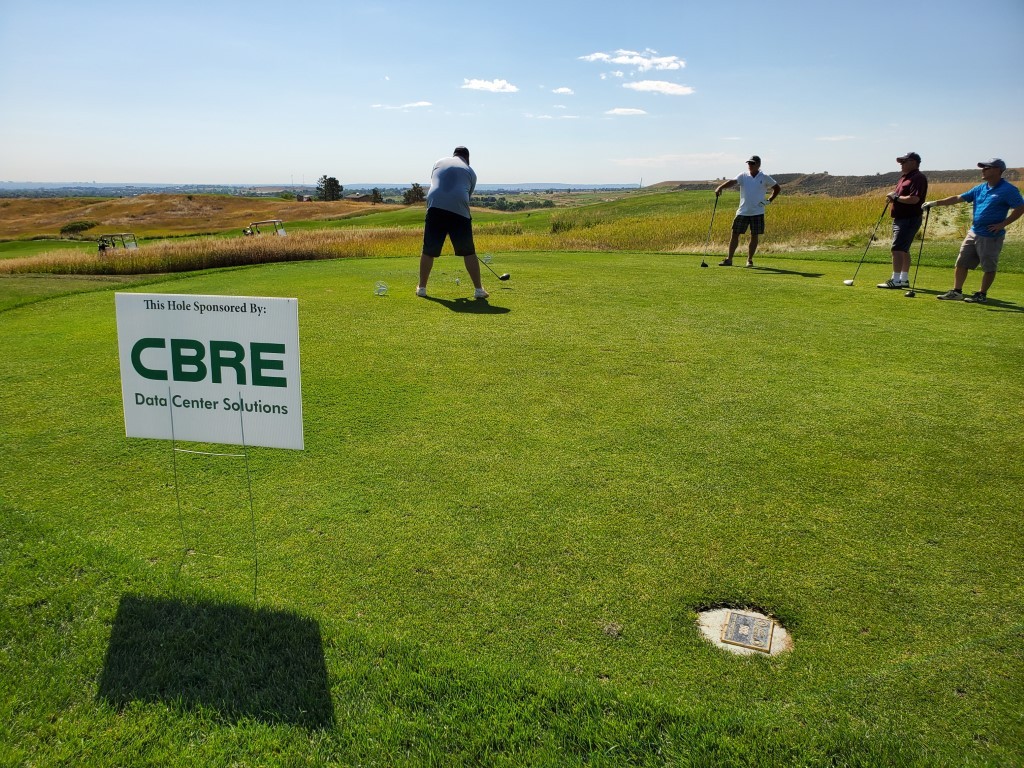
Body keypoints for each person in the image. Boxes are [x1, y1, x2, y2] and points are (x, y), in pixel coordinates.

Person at [927, 158, 1024, 304]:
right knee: (961, 261)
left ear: (998, 170)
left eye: (987, 168)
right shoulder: (980, 188)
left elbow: (1020, 207)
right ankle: (957, 292)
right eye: (983, 167)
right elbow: (958, 198)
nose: (983, 170)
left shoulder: (1008, 190)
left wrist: (1002, 224)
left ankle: (981, 294)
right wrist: (935, 203)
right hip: (974, 232)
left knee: (988, 266)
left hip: (991, 235)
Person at [416, 146, 488, 299]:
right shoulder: (470, 171)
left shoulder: (438, 162)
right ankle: (479, 290)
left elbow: (436, 182)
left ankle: (421, 288)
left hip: (435, 208)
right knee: (468, 252)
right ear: (467, 158)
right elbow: (466, 196)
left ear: (454, 154)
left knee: (429, 250)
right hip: (459, 212)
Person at [715, 155, 780, 267]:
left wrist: (769, 200)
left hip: (757, 212)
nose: (750, 165)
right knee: (735, 234)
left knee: (754, 235)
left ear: (758, 165)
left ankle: (749, 260)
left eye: (752, 163)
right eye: (749, 163)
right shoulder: (743, 175)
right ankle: (729, 259)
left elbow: (777, 188)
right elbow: (732, 182)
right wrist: (720, 187)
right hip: (743, 211)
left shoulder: (764, 177)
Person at [878, 152, 928, 289]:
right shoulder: (904, 178)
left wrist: (896, 198)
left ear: (913, 162)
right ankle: (903, 279)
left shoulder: (918, 177)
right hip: (902, 218)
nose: (901, 164)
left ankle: (895, 280)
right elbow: (901, 196)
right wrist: (894, 198)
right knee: (904, 250)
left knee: (897, 249)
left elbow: (914, 199)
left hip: (909, 218)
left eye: (904, 162)